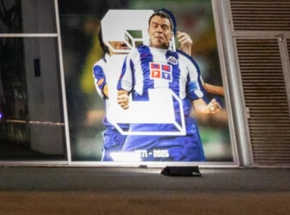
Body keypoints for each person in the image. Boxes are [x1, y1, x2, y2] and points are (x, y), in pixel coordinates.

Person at [114, 9, 225, 162]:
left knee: (193, 176)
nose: (159, 30)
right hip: (145, 129)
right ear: (148, 30)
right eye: (155, 25)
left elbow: (197, 100)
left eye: (164, 27)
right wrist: (123, 98)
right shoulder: (135, 56)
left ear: (171, 34)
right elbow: (123, 89)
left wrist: (207, 109)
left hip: (179, 131)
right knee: (127, 172)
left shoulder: (186, 62)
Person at [92, 28, 133, 162]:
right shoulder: (101, 66)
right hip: (118, 129)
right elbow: (109, 91)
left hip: (142, 126)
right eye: (118, 36)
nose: (124, 41)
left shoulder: (139, 63)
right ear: (106, 41)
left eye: (126, 36)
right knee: (111, 170)